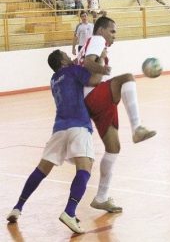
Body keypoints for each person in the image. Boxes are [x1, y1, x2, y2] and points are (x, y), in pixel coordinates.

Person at [6, 50, 102, 234]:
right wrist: (101, 60)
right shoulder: (73, 70)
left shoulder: (54, 79)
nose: (68, 55)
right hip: (79, 125)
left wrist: (78, 64)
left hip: (59, 128)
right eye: (66, 55)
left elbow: (72, 77)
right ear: (62, 60)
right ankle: (69, 212)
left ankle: (17, 207)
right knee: (85, 168)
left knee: (41, 170)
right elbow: (95, 80)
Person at [77, 16, 156, 213]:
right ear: (101, 30)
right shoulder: (97, 40)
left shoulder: (93, 44)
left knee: (113, 148)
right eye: (112, 31)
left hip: (90, 100)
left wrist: (102, 65)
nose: (114, 36)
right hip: (93, 94)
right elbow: (88, 64)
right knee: (127, 78)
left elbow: (85, 63)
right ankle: (137, 127)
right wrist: (103, 68)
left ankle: (101, 197)